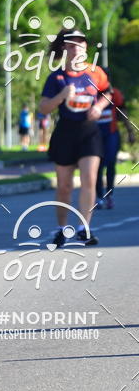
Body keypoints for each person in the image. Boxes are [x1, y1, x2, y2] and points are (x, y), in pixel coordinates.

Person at [38, 29, 110, 247]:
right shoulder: (57, 77)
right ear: (64, 49)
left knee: (89, 179)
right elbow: (43, 107)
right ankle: (61, 229)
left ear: (86, 47)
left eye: (80, 43)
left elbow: (108, 93)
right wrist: (61, 96)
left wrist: (99, 106)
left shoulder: (95, 72)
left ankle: (84, 229)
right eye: (71, 45)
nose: (76, 47)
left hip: (89, 132)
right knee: (64, 186)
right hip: (65, 132)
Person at [96, 83, 135, 209]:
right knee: (97, 166)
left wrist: (130, 131)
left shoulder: (114, 93)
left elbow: (123, 112)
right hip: (95, 136)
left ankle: (109, 195)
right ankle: (98, 196)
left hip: (111, 134)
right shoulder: (90, 92)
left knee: (111, 163)